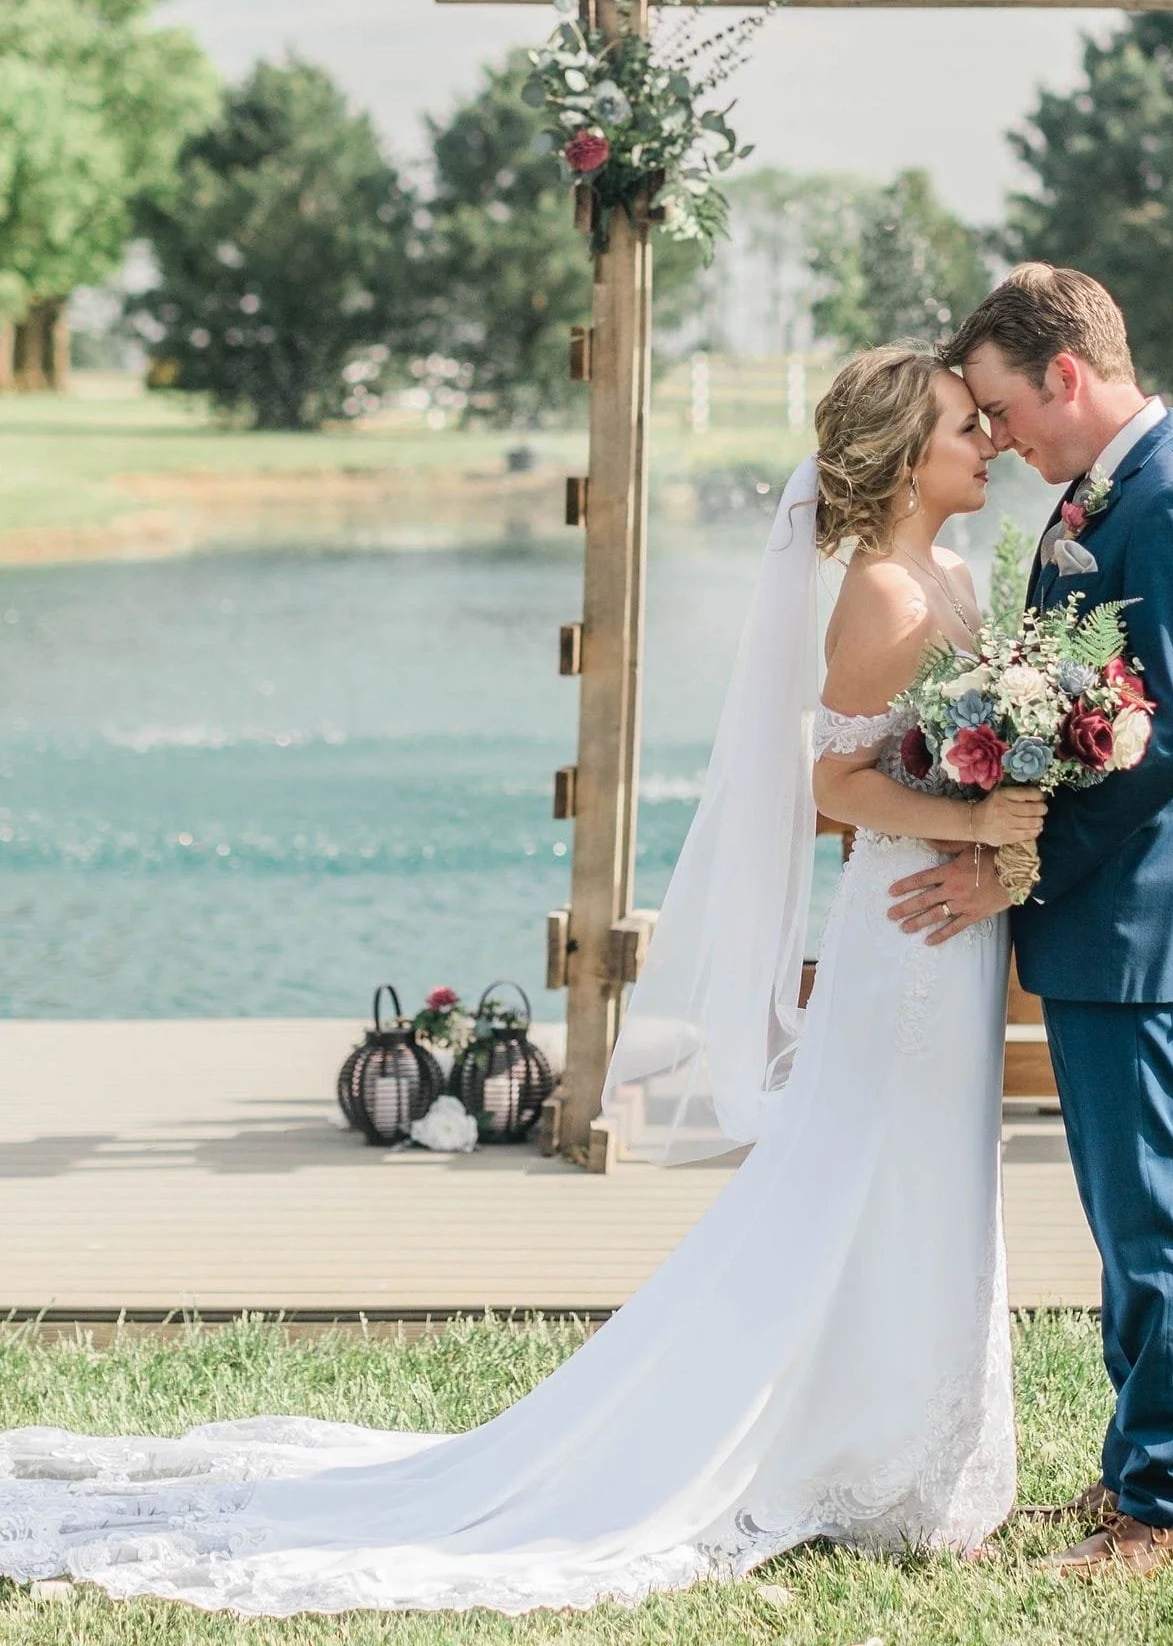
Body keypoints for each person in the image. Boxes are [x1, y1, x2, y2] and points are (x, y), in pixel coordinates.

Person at [0, 348, 1041, 1615]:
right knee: (879, 1175)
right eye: (960, 426)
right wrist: (984, 824)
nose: (985, 440)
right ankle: (862, 1459)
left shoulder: (949, 572)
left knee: (927, 1175)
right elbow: (831, 784)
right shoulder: (882, 592)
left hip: (954, 922)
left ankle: (907, 1456)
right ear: (899, 456)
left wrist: (1006, 822)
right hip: (906, 933)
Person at [892, 262, 1173, 1577]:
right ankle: (1137, 1481)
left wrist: (1018, 866)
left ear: (1068, 375)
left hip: (1132, 914)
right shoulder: (1102, 497)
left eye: (1001, 409)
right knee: (1123, 1210)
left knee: (1150, 1211)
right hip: (1106, 914)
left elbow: (1171, 746)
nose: (999, 439)